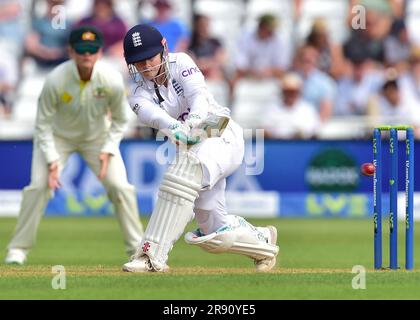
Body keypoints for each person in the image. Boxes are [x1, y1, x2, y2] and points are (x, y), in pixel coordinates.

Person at [121, 24, 279, 273]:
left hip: (221, 133)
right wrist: (178, 129)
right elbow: (159, 120)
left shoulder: (181, 62)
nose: (147, 67)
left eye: (150, 58)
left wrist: (193, 125)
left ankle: (151, 255)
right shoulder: (138, 96)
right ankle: (263, 241)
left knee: (185, 171)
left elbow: (199, 98)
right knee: (214, 232)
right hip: (191, 147)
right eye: (139, 63)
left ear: (163, 47)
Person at [4, 26, 144, 265]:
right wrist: (51, 160)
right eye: (81, 51)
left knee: (121, 187)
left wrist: (108, 148)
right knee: (38, 187)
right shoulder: (56, 80)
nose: (86, 55)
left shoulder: (110, 79)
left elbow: (121, 120)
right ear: (71, 51)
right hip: (58, 138)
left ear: (99, 52)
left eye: (91, 51)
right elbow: (42, 126)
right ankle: (18, 249)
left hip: (98, 139)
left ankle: (138, 250)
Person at [263, 73, 320, 139]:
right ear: (282, 91)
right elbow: (264, 129)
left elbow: (314, 131)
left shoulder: (308, 109)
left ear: (299, 92)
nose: (290, 95)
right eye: (287, 91)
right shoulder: (271, 108)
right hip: (276, 145)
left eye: (293, 92)